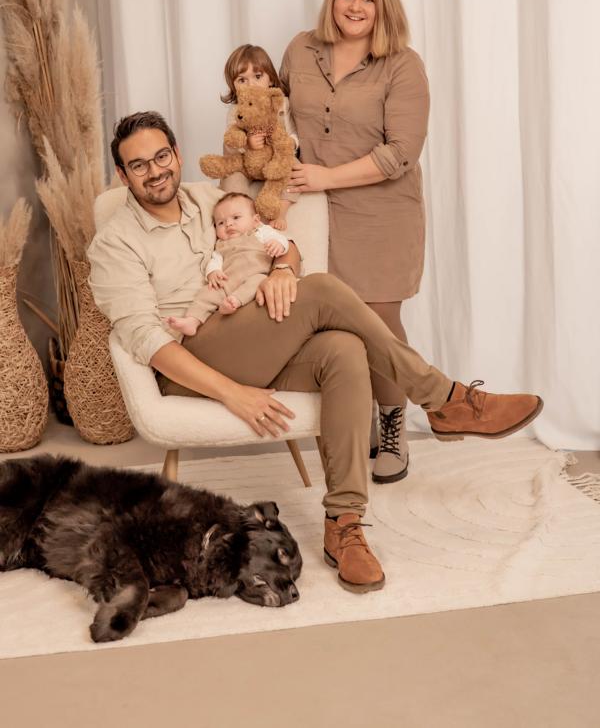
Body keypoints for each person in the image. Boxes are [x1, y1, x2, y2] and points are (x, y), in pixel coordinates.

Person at [88, 111, 543, 595]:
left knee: (343, 350)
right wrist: (233, 393)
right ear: (123, 175)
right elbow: (150, 344)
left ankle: (344, 525)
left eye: (161, 156)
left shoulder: (209, 201)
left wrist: (283, 270)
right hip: (192, 358)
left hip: (252, 331)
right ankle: (443, 398)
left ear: (177, 154)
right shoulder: (113, 244)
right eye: (139, 165)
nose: (155, 171)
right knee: (323, 289)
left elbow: (281, 245)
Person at [280, 0, 433, 485]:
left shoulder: (403, 65)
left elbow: (401, 153)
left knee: (379, 323)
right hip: (312, 210)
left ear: (383, 7)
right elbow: (276, 117)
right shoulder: (301, 49)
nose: (356, 7)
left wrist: (326, 176)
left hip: (380, 213)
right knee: (333, 322)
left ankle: (393, 427)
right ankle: (358, 412)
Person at [165, 192, 289, 335]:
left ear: (255, 220)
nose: (229, 224)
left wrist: (278, 244)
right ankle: (192, 321)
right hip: (226, 282)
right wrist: (213, 272)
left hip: (254, 277)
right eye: (221, 223)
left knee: (260, 281)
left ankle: (234, 301)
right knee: (206, 294)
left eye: (236, 217)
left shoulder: (261, 232)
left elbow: (282, 240)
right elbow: (215, 260)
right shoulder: (221, 244)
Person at [220, 44, 299, 231]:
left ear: (270, 79)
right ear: (233, 86)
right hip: (248, 164)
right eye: (242, 80)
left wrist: (288, 144)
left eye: (257, 76)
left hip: (275, 159)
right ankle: (240, 217)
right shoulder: (236, 110)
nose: (251, 85)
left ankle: (281, 212)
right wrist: (247, 143)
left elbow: (293, 134)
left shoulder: (282, 104)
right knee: (231, 178)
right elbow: (231, 142)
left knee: (294, 169)